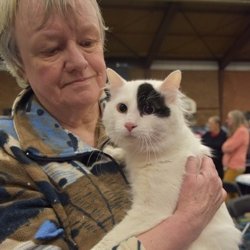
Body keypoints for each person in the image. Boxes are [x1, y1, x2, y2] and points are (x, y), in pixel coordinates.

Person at [0, 1, 226, 249]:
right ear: (19, 62)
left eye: (87, 42)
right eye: (51, 49)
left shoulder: (135, 128)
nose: (79, 62)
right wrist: (187, 222)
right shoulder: (9, 157)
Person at [222, 110, 249, 183]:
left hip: (235, 166)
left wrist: (224, 146)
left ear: (235, 119)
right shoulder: (236, 131)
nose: (227, 121)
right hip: (231, 166)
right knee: (232, 193)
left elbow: (228, 147)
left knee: (227, 191)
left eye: (229, 118)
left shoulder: (241, 131)